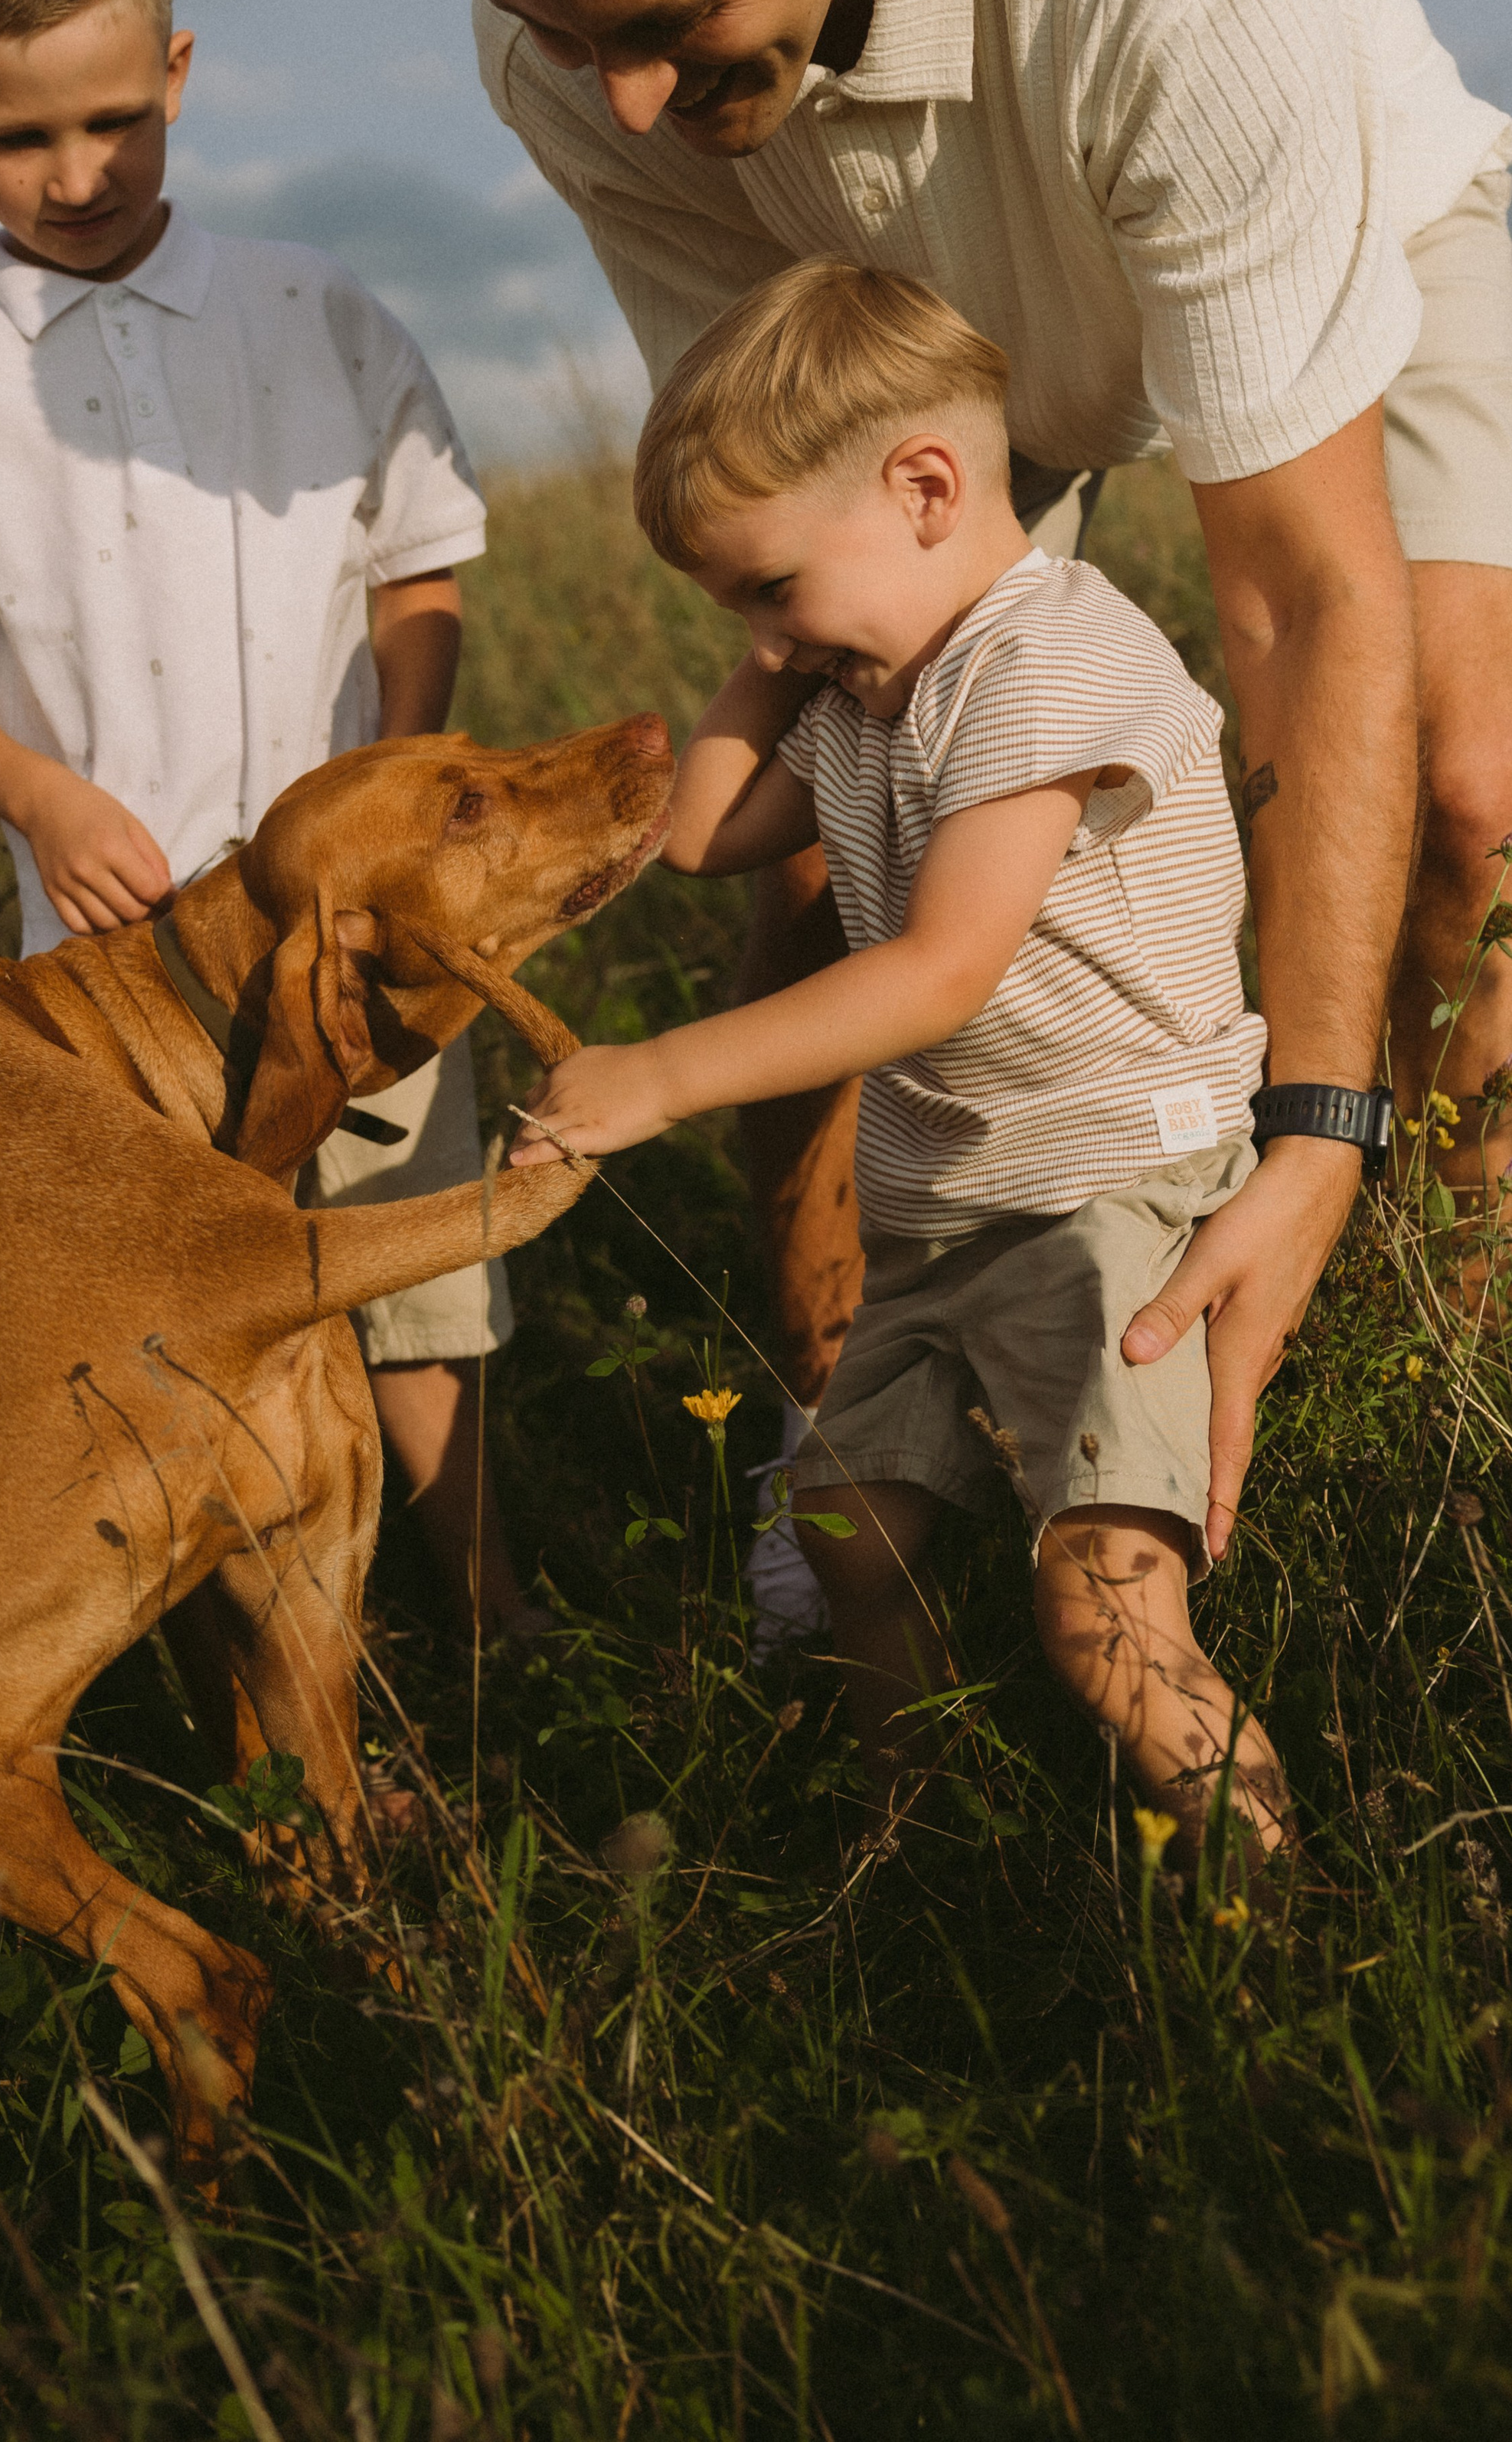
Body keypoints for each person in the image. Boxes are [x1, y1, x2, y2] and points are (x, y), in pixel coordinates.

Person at [407, 0, 1512, 1555]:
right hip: (916, 376)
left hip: (1342, 232)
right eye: (559, 28)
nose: (618, 100)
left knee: (1462, 799)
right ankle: (850, 1428)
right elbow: (770, 490)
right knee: (832, 859)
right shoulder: (590, 43)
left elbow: (1295, 595)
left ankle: (1381, 1338)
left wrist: (1310, 1113)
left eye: (669, 24)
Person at [0, 0, 544, 1639]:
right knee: (168, 1304)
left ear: (174, 70)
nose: (76, 174)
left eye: (111, 121)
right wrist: (37, 795)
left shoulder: (308, 304)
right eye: (19, 138)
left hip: (366, 933)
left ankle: (475, 1623)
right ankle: (245, 1661)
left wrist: (405, 775)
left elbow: (420, 564)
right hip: (113, 973)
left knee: (414, 1283)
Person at [514, 260, 1289, 1851]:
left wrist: (659, 1072)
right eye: (735, 608)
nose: (769, 641)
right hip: (947, 1214)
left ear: (927, 488)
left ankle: (1275, 1920)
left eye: (771, 590)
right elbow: (706, 834)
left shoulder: (1041, 663)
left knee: (1102, 1619)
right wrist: (770, 649)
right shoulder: (871, 687)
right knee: (845, 1535)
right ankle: (917, 1824)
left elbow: (938, 973)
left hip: (1105, 1196)